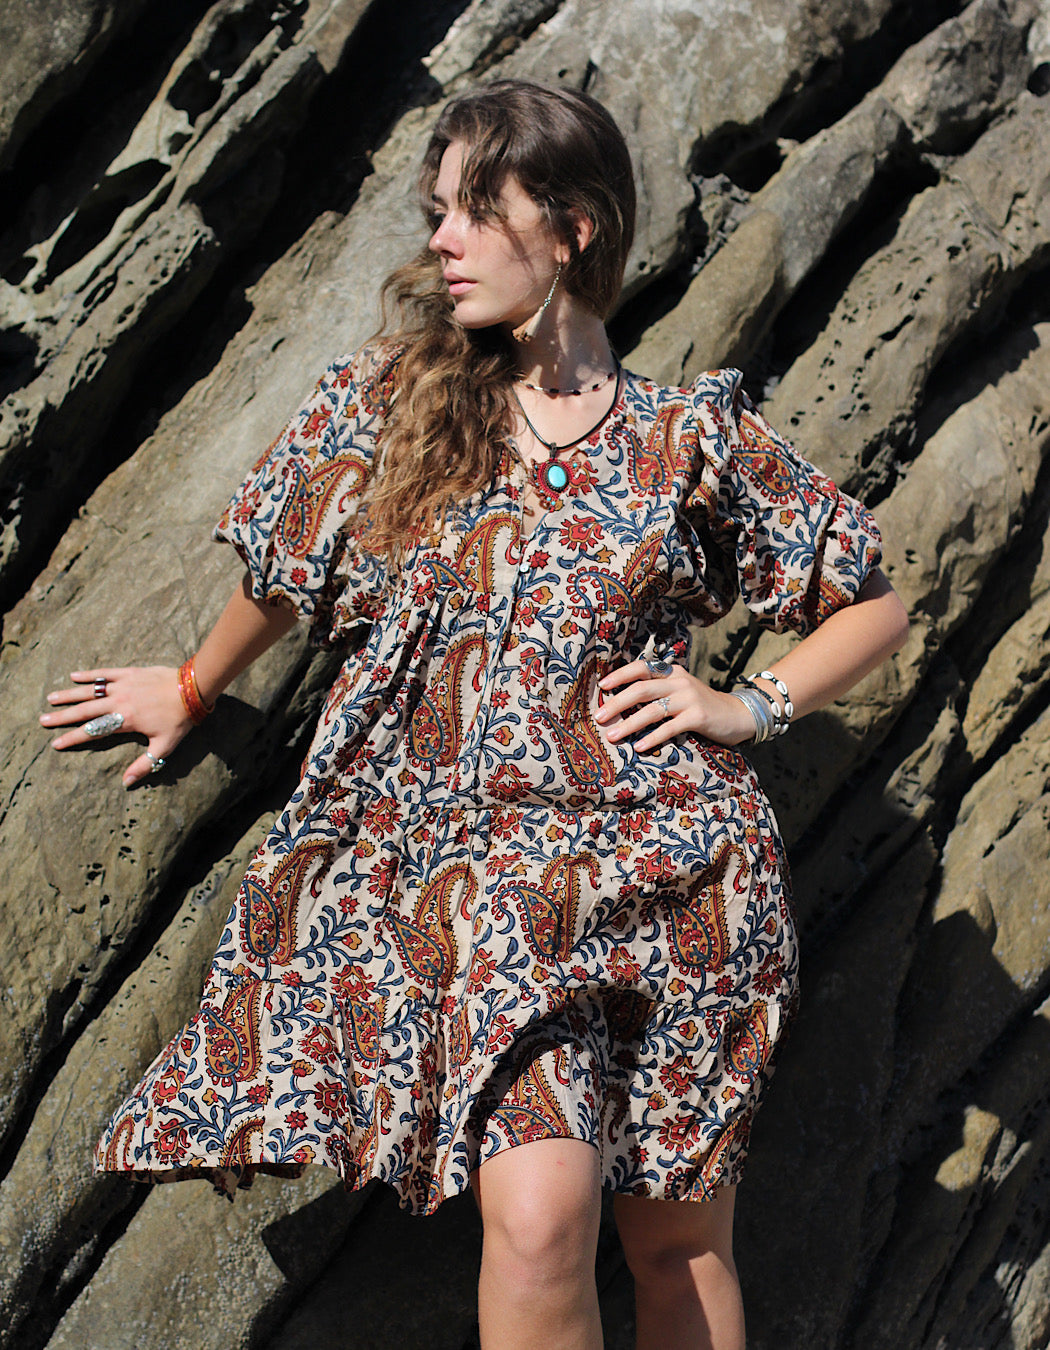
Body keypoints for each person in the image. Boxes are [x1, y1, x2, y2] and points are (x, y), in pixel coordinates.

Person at [42, 79, 908, 1350]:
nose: (441, 240)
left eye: (473, 211)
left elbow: (872, 604)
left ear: (571, 227)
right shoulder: (395, 398)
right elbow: (286, 563)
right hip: (477, 888)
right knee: (544, 1222)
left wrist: (745, 703)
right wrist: (190, 683)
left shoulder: (688, 440)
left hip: (673, 880)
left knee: (677, 1246)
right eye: (435, 211)